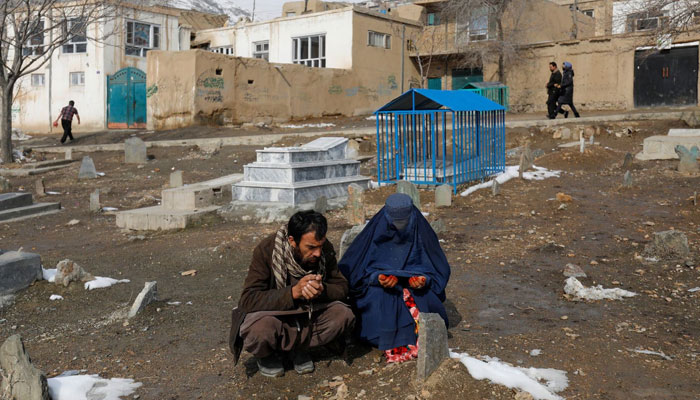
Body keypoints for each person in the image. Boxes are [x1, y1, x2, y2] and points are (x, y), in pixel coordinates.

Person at [228, 211, 355, 378]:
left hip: (308, 315)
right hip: (276, 316)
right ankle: (267, 356)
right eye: (310, 248)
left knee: (342, 315)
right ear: (292, 241)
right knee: (259, 330)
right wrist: (293, 293)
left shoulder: (324, 249)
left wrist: (321, 289)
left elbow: (341, 287)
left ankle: (300, 349)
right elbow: (248, 299)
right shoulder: (267, 250)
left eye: (320, 246)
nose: (317, 253)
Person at [338, 193, 450, 363]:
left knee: (422, 306)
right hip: (379, 290)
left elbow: (438, 269)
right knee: (382, 300)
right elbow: (354, 272)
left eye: (404, 222)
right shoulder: (374, 233)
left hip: (414, 289)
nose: (399, 228)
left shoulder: (421, 232)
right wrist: (378, 278)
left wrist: (423, 280)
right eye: (395, 223)